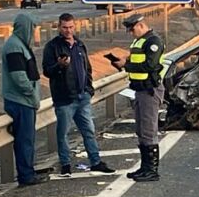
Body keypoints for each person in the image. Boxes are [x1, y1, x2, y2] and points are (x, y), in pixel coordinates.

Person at [43, 13, 115, 176]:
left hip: (82, 96)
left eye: (71, 27)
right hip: (64, 98)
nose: (68, 31)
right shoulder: (53, 47)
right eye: (65, 27)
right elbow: (47, 71)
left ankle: (95, 161)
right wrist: (60, 65)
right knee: (63, 133)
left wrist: (89, 89)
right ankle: (66, 165)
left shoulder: (80, 45)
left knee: (89, 130)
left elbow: (87, 68)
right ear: (59, 27)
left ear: (75, 27)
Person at [111, 14, 166, 182]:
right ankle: (144, 167)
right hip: (139, 90)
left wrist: (125, 65)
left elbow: (150, 65)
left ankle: (152, 170)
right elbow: (137, 58)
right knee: (141, 130)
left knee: (149, 130)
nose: (131, 32)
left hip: (150, 89)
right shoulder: (139, 41)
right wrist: (124, 60)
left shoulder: (153, 41)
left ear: (141, 25)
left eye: (132, 29)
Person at [1, 12, 48, 187]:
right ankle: (26, 175)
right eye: (32, 28)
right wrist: (30, 92)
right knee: (24, 140)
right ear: (26, 28)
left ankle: (28, 172)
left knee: (27, 140)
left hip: (24, 100)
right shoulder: (14, 46)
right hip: (20, 101)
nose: (33, 31)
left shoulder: (18, 44)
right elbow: (19, 76)